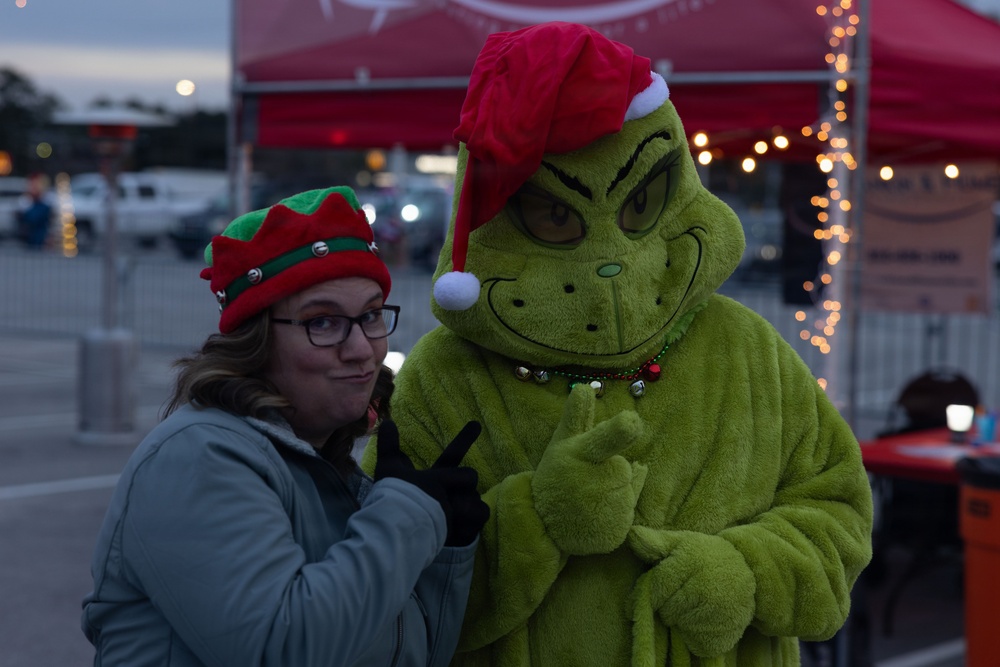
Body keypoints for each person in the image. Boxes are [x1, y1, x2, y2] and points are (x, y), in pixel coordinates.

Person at [362, 22, 873, 666]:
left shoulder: (746, 350)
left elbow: (839, 513)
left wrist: (746, 574)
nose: (611, 263)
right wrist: (536, 519)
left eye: (641, 203)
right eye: (554, 215)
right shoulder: (444, 377)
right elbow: (386, 592)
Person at [81, 186, 489, 667]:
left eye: (372, 315)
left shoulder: (325, 466)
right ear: (256, 341)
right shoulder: (197, 455)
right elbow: (284, 649)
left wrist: (446, 550)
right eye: (323, 322)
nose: (362, 348)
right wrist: (406, 516)